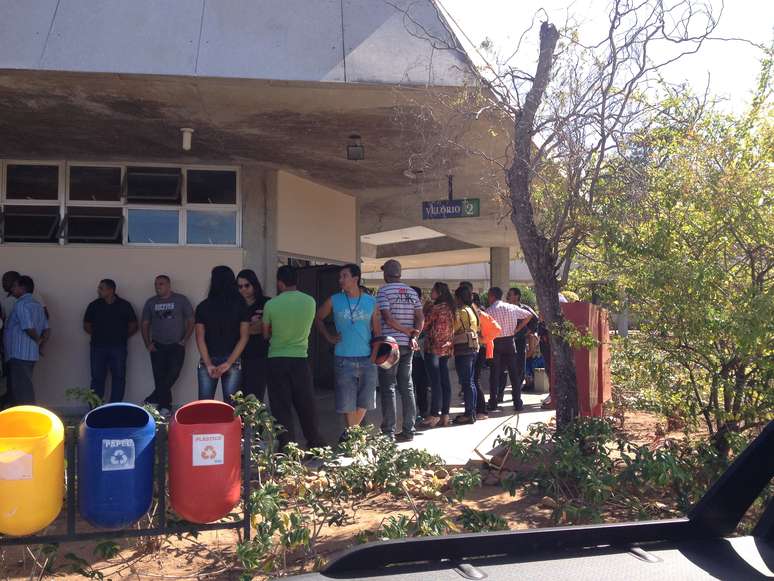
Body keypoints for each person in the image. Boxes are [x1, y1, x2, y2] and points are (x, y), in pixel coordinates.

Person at [316, 264, 380, 438]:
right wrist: (329, 337)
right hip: (343, 357)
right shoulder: (334, 299)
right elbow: (318, 317)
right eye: (340, 277)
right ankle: (353, 438)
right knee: (346, 401)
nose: (340, 280)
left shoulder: (371, 301)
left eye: (344, 276)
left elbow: (377, 331)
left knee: (366, 399)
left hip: (367, 356)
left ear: (355, 278)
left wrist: (375, 354)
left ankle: (350, 434)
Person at [263, 265, 324, 450]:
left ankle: (287, 446)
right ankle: (314, 443)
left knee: (281, 406)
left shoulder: (271, 304)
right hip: (300, 358)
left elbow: (265, 334)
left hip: (277, 358)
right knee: (306, 404)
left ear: (280, 283)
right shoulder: (310, 302)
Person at [376, 259, 424, 442]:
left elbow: (387, 319)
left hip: (389, 345)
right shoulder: (412, 292)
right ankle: (409, 430)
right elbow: (420, 317)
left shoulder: (383, 291)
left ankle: (388, 431)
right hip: (408, 345)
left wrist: (406, 331)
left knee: (388, 387)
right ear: (400, 274)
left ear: (386, 274)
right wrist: (414, 336)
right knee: (407, 387)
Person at [195, 266, 250, 403]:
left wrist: (208, 364)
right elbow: (244, 337)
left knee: (204, 405)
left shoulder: (203, 306)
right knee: (232, 407)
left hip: (208, 358)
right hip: (233, 359)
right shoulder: (241, 305)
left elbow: (200, 338)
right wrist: (229, 362)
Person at [141, 275, 194, 415]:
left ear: (169, 285)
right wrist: (148, 343)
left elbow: (191, 319)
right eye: (156, 284)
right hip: (157, 345)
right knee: (159, 376)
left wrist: (185, 339)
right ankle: (165, 407)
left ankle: (154, 396)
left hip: (176, 345)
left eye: (161, 284)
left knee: (173, 374)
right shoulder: (151, 302)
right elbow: (145, 323)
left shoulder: (181, 300)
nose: (158, 286)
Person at [84, 279, 138, 403]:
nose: (98, 290)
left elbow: (133, 325)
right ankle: (95, 409)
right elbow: (87, 325)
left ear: (111, 290)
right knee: (97, 378)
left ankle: (114, 407)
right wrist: (99, 335)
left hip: (118, 347)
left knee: (119, 377)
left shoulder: (124, 305)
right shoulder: (94, 305)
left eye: (101, 288)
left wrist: (122, 336)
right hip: (98, 347)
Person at [486, 287, 534, 411]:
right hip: (510, 342)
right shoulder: (511, 307)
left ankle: (493, 402)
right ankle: (517, 402)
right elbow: (529, 315)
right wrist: (517, 329)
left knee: (495, 373)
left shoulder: (489, 311)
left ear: (492, 296)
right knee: (514, 373)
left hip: (496, 342)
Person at [3, 276, 48, 404]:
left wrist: (38, 340)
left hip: (19, 354)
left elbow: (28, 327)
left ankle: (29, 419)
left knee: (23, 391)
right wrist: (41, 345)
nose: (12, 289)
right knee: (20, 388)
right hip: (30, 354)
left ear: (22, 288)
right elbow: (47, 328)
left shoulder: (21, 304)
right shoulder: (37, 305)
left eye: (14, 286)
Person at [419, 282, 455, 429]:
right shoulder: (451, 308)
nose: (431, 293)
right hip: (446, 348)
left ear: (438, 292)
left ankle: (434, 415)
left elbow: (424, 324)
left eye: (433, 291)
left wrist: (425, 309)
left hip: (434, 347)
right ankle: (445, 414)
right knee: (445, 382)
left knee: (435, 382)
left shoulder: (435, 308)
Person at [237, 269, 270, 403]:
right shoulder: (235, 304)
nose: (243, 289)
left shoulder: (267, 302)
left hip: (259, 355)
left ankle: (256, 424)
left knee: (255, 396)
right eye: (239, 286)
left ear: (254, 284)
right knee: (238, 398)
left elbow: (267, 328)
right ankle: (241, 425)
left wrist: (244, 329)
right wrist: (253, 327)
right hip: (237, 356)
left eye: (247, 285)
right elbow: (231, 330)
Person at [452, 285, 480, 424]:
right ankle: (472, 412)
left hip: (463, 348)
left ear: (459, 297)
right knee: (471, 381)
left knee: (466, 382)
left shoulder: (462, 311)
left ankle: (469, 414)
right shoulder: (473, 310)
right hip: (473, 347)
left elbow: (454, 328)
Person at [411, 286, 431, 421]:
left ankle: (422, 411)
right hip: (417, 354)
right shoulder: (422, 311)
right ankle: (418, 411)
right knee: (415, 385)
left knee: (420, 384)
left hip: (420, 354)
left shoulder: (423, 312)